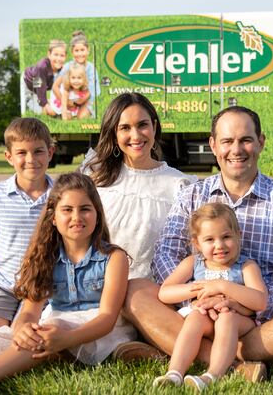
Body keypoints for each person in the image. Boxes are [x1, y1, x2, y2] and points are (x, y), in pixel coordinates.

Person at [124, 106, 273, 381]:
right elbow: (166, 253)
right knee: (135, 291)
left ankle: (189, 350)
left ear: (261, 142)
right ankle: (233, 365)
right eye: (227, 141)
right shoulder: (191, 195)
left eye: (245, 139)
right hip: (197, 312)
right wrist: (199, 295)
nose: (237, 149)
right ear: (213, 145)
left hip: (255, 324)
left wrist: (245, 303)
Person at [0, 173, 135, 394]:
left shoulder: (113, 257)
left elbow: (107, 318)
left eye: (85, 209)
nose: (76, 217)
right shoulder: (45, 256)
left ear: (97, 215)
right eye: (67, 210)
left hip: (98, 333)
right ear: (53, 217)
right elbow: (30, 311)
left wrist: (65, 339)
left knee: (50, 330)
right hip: (56, 323)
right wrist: (22, 329)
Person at [81, 92, 197, 360]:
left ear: (155, 127)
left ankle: (150, 340)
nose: (136, 135)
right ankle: (137, 344)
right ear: (113, 133)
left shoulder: (180, 185)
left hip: (153, 293)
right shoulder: (96, 180)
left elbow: (190, 249)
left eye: (143, 125)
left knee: (139, 306)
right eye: (125, 128)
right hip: (103, 287)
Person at [153, 203, 267, 390]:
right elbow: (165, 292)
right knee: (194, 318)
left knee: (226, 318)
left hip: (239, 321)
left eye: (226, 237)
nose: (219, 245)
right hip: (205, 317)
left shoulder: (246, 266)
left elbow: (260, 301)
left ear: (239, 236)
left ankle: (213, 375)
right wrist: (202, 290)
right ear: (197, 243)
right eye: (209, 240)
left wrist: (222, 286)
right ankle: (174, 373)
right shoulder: (194, 263)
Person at [0, 118, 55, 338]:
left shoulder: (61, 195)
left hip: (44, 289)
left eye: (38, 151)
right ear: (9, 157)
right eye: (22, 153)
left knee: (29, 335)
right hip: (4, 286)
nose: (31, 159)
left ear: (50, 153)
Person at [53, 30, 99, 117]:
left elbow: (92, 91)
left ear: (88, 50)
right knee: (67, 115)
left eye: (82, 50)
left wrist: (80, 101)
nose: (80, 53)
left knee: (81, 117)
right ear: (72, 52)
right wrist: (66, 102)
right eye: (76, 50)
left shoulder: (91, 68)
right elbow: (55, 86)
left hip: (85, 100)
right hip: (68, 99)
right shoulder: (68, 66)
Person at [22, 39, 67, 117]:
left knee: (52, 108)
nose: (59, 59)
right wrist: (45, 105)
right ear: (49, 54)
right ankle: (28, 102)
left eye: (62, 55)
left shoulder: (62, 69)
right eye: (56, 55)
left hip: (38, 90)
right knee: (41, 112)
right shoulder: (41, 67)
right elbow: (38, 86)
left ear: (65, 56)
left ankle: (38, 101)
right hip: (27, 84)